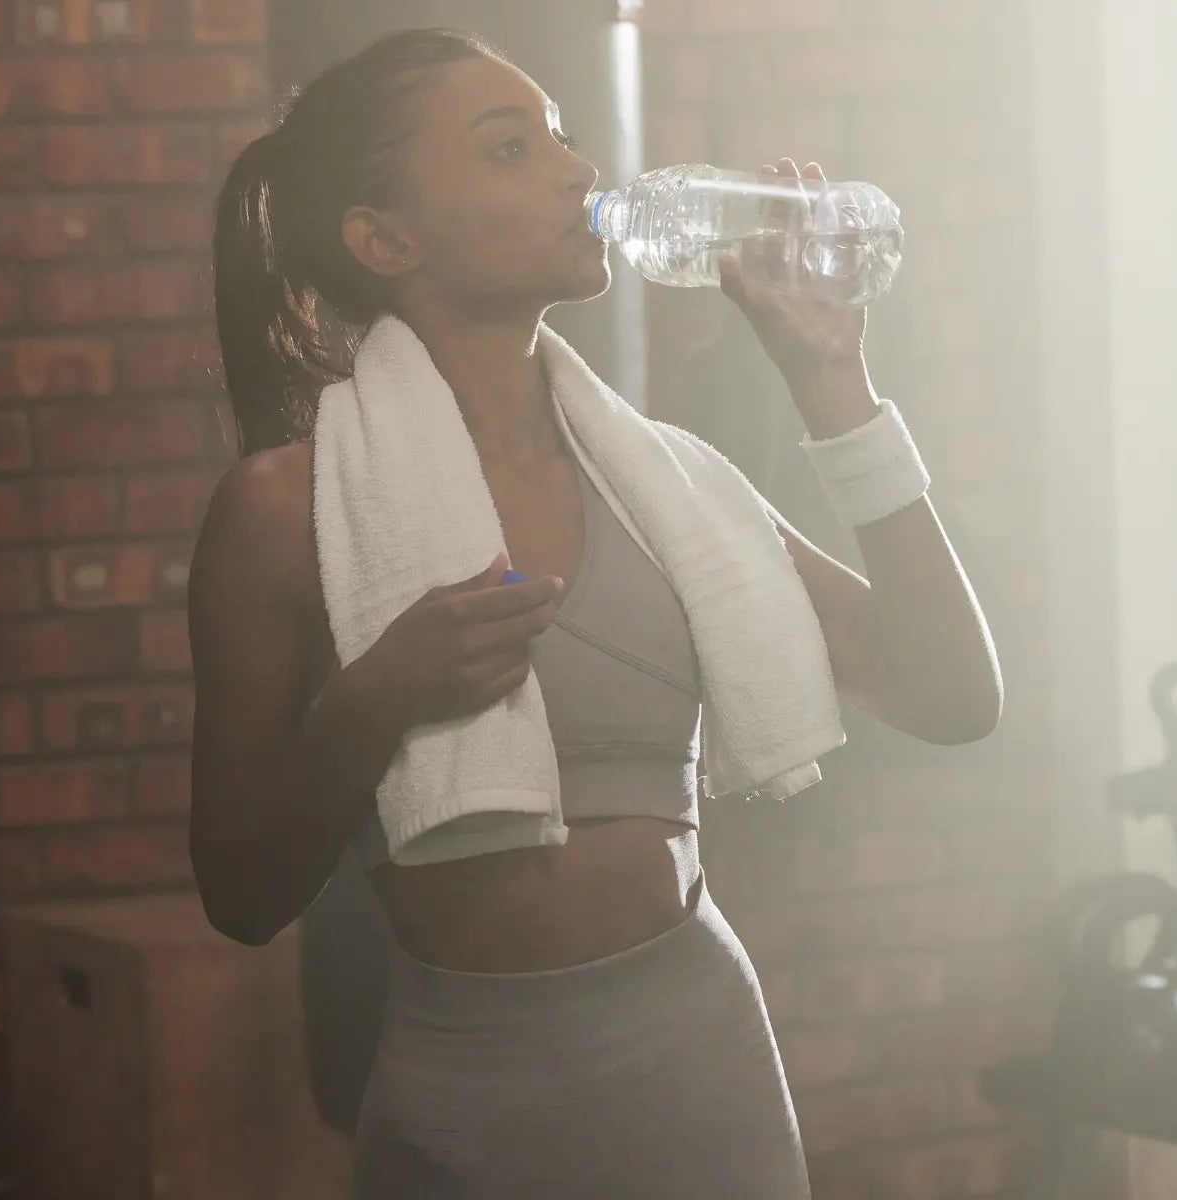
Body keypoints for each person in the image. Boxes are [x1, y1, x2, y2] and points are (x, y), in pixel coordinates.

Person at [188, 27, 1002, 1199]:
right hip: (466, 1093)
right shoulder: (285, 511)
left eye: (566, 137)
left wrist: (838, 394)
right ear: (386, 236)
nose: (579, 172)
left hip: (703, 1064)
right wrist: (375, 700)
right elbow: (240, 894)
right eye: (512, 149)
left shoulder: (676, 489)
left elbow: (953, 698)